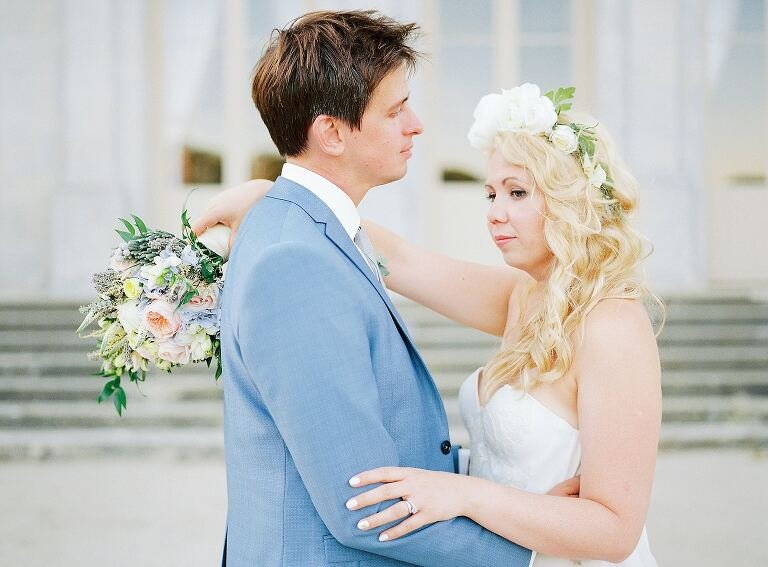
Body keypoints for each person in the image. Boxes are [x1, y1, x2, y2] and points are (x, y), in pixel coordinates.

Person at [195, 82, 663, 566]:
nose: (495, 214)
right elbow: (398, 258)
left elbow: (616, 530)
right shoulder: (525, 297)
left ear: (573, 200)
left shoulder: (612, 325)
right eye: (490, 194)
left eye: (517, 192)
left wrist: (464, 494)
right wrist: (279, 197)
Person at [207, 10, 535, 567]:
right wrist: (532, 555)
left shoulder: (306, 226)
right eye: (395, 109)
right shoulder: (294, 263)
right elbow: (365, 504)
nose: (416, 125)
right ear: (332, 133)